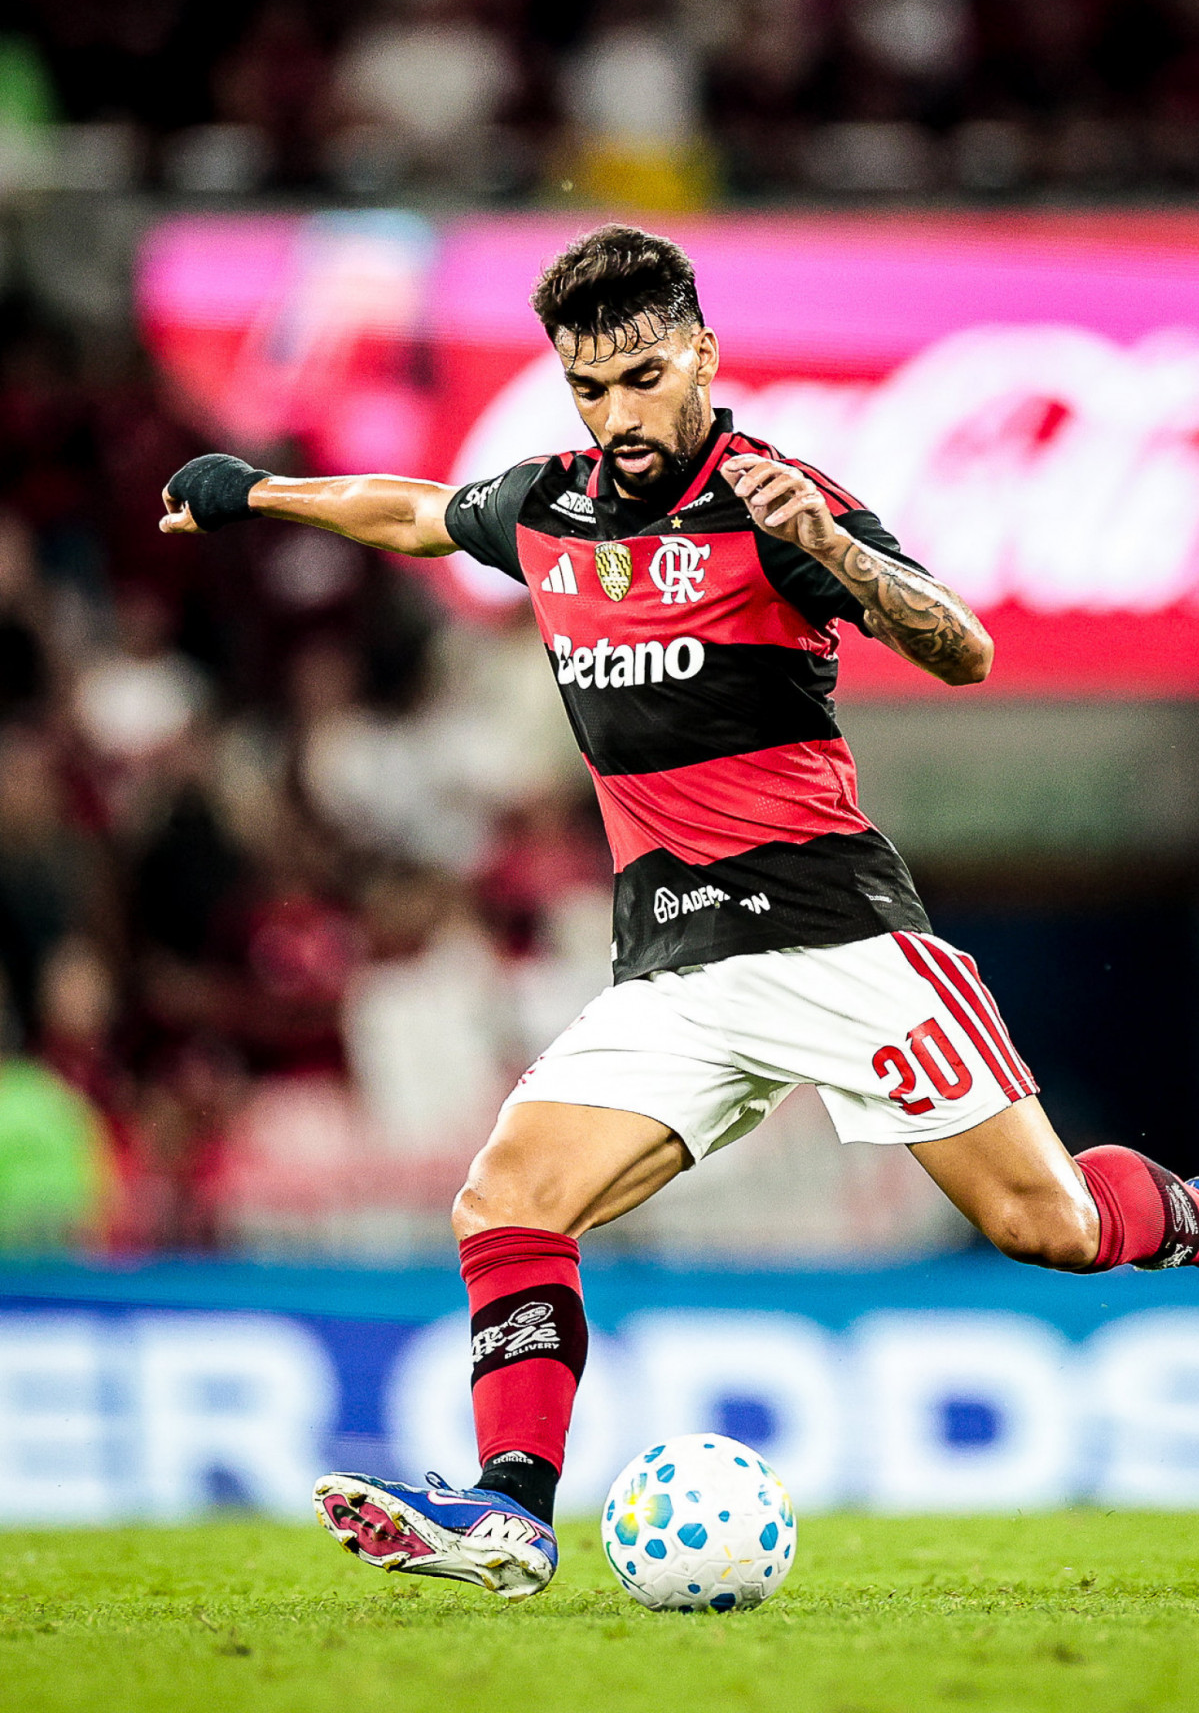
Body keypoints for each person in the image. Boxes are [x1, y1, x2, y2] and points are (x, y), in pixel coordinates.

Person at [160, 223, 1199, 1601]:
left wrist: (832, 550)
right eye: (590, 388)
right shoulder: (552, 509)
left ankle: (1190, 1209)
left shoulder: (775, 501)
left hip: (841, 942)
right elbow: (416, 511)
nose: (620, 415)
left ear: (702, 354)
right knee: (508, 1198)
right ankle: (510, 1511)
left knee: (1048, 1227)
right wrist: (258, 494)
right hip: (676, 970)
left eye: (643, 378)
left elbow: (963, 647)